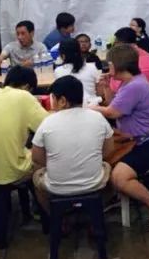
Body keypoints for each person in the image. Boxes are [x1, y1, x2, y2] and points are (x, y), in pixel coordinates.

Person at [90, 45, 149, 228]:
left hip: (148, 143)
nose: (107, 67)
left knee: (119, 176)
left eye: (109, 64)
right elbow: (114, 105)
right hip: (137, 139)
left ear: (116, 65)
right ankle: (113, 195)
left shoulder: (134, 86)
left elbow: (112, 112)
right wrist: (106, 86)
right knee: (100, 156)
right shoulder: (131, 82)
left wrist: (88, 108)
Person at [31, 76, 115, 213]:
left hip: (56, 187)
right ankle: (95, 213)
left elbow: (37, 159)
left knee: (36, 176)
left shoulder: (48, 122)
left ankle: (55, 217)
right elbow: (109, 150)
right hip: (94, 183)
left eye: (53, 98)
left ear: (63, 101)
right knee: (109, 167)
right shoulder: (97, 117)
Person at [0, 66, 48, 185]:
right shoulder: (24, 96)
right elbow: (50, 129)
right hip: (15, 172)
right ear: (27, 87)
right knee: (47, 153)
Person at [107, 27, 149, 101]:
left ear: (119, 43)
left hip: (136, 102)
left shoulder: (126, 58)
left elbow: (114, 90)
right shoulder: (146, 54)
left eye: (115, 42)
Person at [54, 38, 102, 106]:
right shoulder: (92, 67)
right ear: (80, 51)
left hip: (72, 108)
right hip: (93, 106)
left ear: (62, 55)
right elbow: (100, 93)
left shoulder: (58, 71)